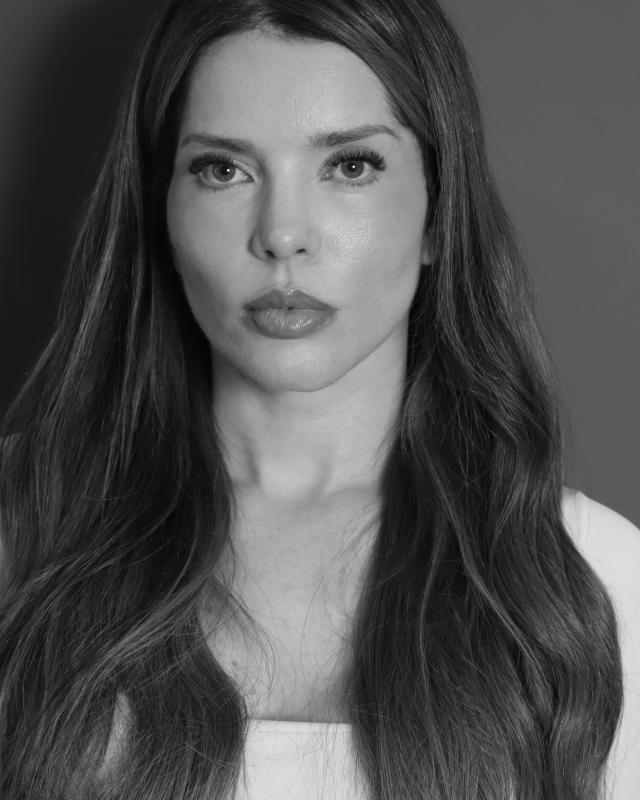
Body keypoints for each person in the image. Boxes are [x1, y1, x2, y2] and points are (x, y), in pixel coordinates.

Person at [0, 0, 638, 798]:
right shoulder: (22, 530)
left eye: (350, 166)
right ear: (161, 213)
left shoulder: (596, 580)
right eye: (223, 169)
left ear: (440, 213)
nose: (282, 234)